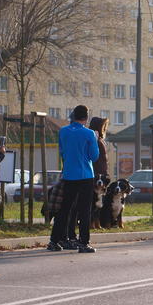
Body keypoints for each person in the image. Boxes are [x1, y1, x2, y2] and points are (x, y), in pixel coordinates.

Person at [47, 105, 99, 253]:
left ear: (73, 116)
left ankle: (54, 241)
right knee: (84, 210)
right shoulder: (89, 133)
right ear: (86, 118)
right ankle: (83, 242)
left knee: (64, 209)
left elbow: (62, 152)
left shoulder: (63, 131)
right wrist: (95, 139)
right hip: (85, 175)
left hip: (69, 174)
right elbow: (94, 156)